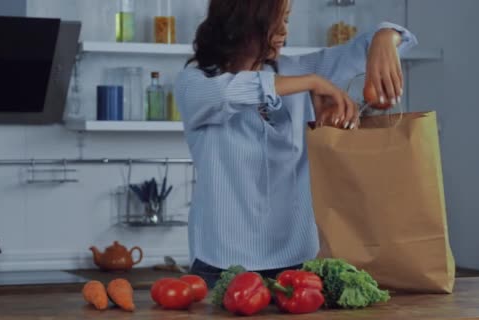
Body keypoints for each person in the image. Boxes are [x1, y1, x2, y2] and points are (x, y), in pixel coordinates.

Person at [174, 0, 417, 288]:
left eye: (286, 19)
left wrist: (385, 37)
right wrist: (313, 82)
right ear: (240, 21)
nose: (282, 31)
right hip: (221, 264)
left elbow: (384, 45)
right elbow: (228, 94)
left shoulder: (300, 70)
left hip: (300, 262)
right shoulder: (195, 82)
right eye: (274, 20)